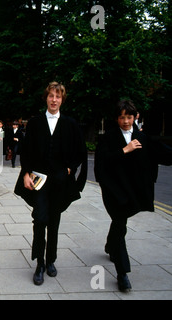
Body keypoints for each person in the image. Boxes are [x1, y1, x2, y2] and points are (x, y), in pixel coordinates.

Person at [14, 82, 87, 286]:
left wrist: (70, 169)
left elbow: (80, 152)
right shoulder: (36, 123)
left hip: (60, 183)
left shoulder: (70, 124)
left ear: (62, 100)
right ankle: (39, 263)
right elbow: (26, 151)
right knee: (39, 219)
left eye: (58, 97)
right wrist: (25, 174)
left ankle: (51, 260)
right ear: (46, 98)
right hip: (39, 181)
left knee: (54, 221)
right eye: (51, 96)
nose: (54, 100)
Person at [94, 100, 172, 292]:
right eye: (122, 117)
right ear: (117, 118)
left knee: (119, 225)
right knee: (120, 225)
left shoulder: (143, 138)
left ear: (135, 117)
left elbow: (164, 155)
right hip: (113, 192)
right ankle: (122, 273)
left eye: (129, 117)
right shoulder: (108, 139)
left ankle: (110, 245)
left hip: (132, 194)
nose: (126, 121)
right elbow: (101, 165)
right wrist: (124, 150)